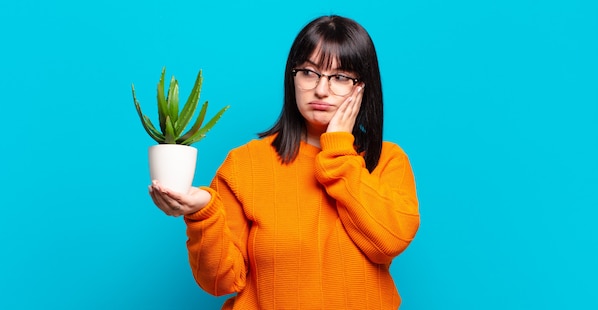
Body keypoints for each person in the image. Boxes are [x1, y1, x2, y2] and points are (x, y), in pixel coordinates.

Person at [149, 15, 420, 310]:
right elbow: (220, 282)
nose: (321, 89)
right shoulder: (246, 164)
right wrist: (203, 213)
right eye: (309, 72)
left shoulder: (386, 160)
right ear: (292, 77)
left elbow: (388, 243)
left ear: (363, 86)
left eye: (341, 77)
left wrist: (339, 151)